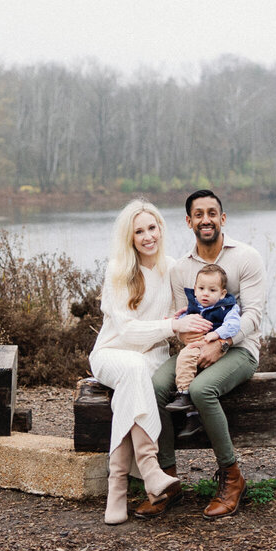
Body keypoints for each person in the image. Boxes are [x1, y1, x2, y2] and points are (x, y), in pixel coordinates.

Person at [136, 189, 267, 520]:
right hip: (195, 348)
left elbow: (253, 317)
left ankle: (232, 477)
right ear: (189, 221)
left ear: (222, 219)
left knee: (201, 389)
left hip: (240, 348)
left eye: (212, 213)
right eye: (198, 214)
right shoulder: (181, 269)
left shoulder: (247, 257)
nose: (205, 219)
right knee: (154, 386)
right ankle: (167, 480)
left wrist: (220, 343)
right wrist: (195, 343)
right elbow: (185, 318)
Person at [88, 198, 214, 524]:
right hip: (112, 354)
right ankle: (148, 470)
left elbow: (182, 316)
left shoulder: (171, 268)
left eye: (152, 228)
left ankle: (118, 487)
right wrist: (172, 325)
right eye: (139, 231)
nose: (147, 236)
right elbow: (127, 331)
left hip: (152, 359)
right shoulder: (118, 270)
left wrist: (201, 330)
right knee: (132, 369)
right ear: (129, 237)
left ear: (161, 228)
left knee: (137, 378)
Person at [165, 263, 242, 413]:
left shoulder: (227, 308)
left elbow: (234, 325)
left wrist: (218, 334)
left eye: (212, 290)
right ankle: (192, 413)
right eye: (201, 289)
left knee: (185, 357)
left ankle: (183, 393)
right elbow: (183, 320)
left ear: (222, 293)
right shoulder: (194, 307)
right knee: (188, 363)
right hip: (197, 343)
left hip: (213, 345)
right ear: (195, 290)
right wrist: (174, 321)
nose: (205, 293)